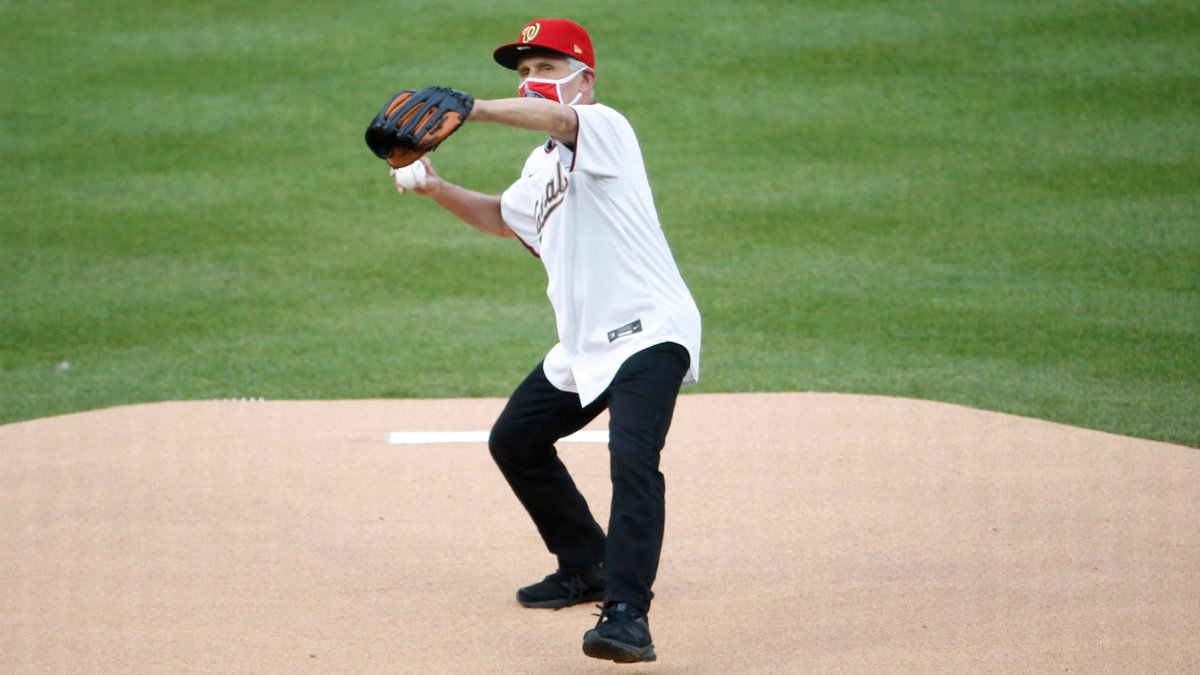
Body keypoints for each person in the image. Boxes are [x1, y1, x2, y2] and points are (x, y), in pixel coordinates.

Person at [391, 18, 701, 664]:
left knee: (632, 455)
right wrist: (435, 185)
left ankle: (626, 615)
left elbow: (561, 125)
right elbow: (504, 220)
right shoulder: (538, 172)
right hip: (586, 346)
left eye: (548, 70)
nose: (534, 83)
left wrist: (472, 110)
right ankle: (584, 562)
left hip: (651, 329)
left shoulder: (606, 127)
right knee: (516, 440)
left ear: (585, 81)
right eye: (526, 72)